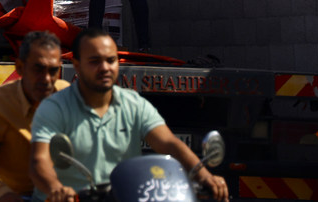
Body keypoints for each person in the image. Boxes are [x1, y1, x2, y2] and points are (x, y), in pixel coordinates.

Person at [29, 29, 229, 202]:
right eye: (95, 61)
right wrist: (56, 188)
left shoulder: (133, 104)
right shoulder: (54, 107)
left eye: (111, 60)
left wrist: (204, 175)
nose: (105, 67)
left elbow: (168, 143)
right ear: (78, 66)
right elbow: (40, 161)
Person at [0, 31, 70, 202]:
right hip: (17, 195)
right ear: (20, 67)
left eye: (53, 71)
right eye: (38, 69)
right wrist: (2, 194)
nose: (46, 79)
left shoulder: (66, 96)